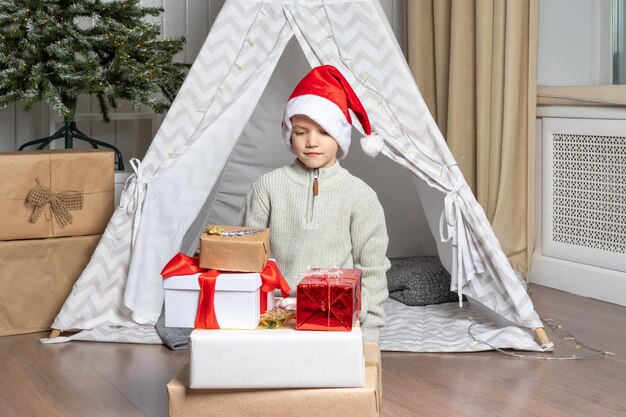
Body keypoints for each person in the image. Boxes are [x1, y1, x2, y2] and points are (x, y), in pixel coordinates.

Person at [239, 65, 390, 342]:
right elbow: (246, 260)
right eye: (300, 132)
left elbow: (372, 270)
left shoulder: (361, 196)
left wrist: (368, 337)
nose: (311, 142)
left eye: (324, 131)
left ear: (340, 136)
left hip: (337, 316)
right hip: (277, 317)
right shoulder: (267, 187)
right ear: (289, 134)